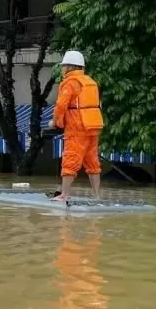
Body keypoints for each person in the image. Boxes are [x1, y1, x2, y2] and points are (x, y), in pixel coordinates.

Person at [49, 50, 103, 201]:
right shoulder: (91, 82)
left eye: (63, 66)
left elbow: (61, 105)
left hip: (77, 127)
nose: (62, 69)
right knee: (93, 162)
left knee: (70, 158)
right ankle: (97, 196)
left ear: (70, 67)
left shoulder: (71, 83)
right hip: (93, 126)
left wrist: (55, 122)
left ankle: (65, 195)